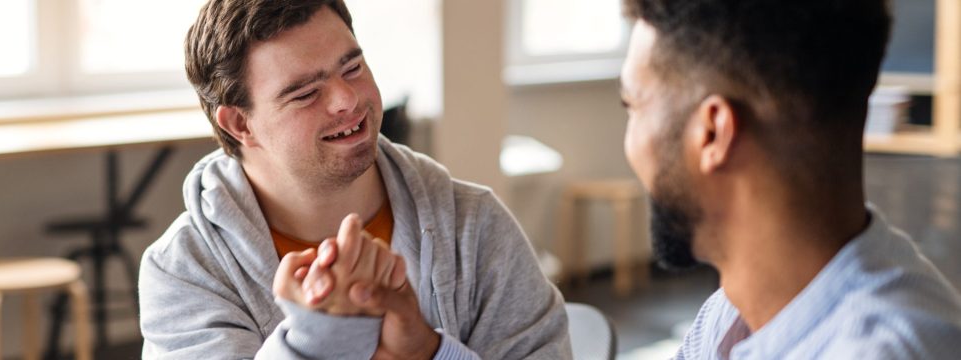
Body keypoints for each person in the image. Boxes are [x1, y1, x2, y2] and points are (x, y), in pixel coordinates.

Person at [137, 0, 570, 358]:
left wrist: (428, 350)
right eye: (306, 93)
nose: (348, 100)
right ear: (239, 125)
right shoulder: (184, 271)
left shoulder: (475, 227)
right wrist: (318, 337)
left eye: (353, 67)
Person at [617, 0, 961, 358]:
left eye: (633, 105)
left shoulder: (882, 349)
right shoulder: (731, 312)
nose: (629, 143)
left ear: (711, 133)